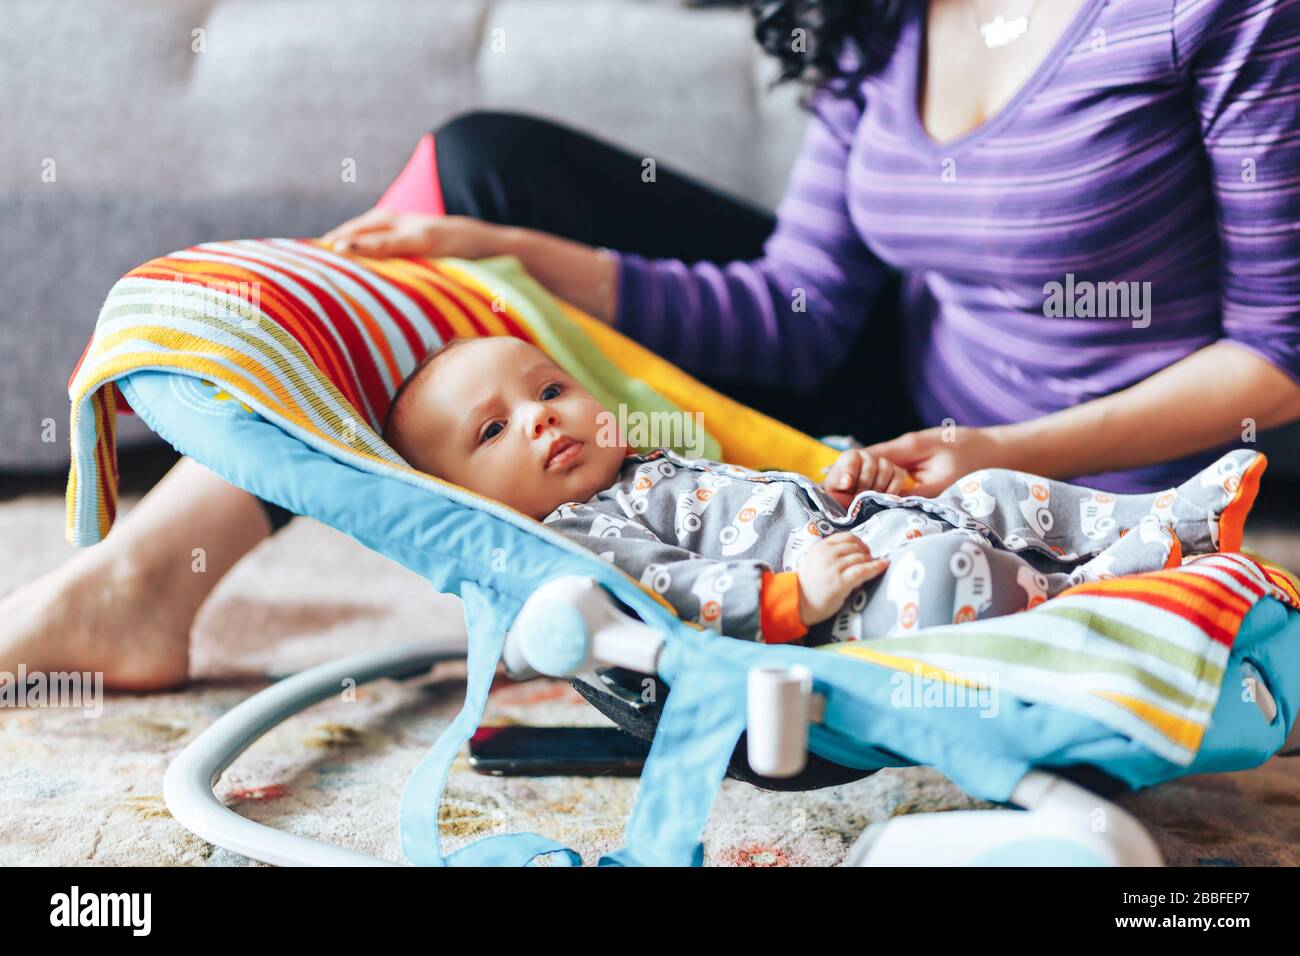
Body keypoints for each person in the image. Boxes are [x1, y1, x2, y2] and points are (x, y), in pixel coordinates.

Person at [4, 0, 1299, 689]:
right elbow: (800, 310)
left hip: (1086, 465)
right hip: (894, 411)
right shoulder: (874, 13)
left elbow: (1276, 360)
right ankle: (144, 581)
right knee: (476, 170)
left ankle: (127, 591)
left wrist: (996, 452)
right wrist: (508, 257)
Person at [381, 334, 1261, 645]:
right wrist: (792, 598)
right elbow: (663, 587)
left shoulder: (652, 460)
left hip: (868, 529)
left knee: (990, 490)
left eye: (549, 391)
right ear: (468, 496)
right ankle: (1097, 591)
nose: (539, 419)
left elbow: (777, 494)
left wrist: (851, 475)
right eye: (492, 432)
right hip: (839, 616)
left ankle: (1162, 519)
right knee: (951, 563)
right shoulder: (579, 532)